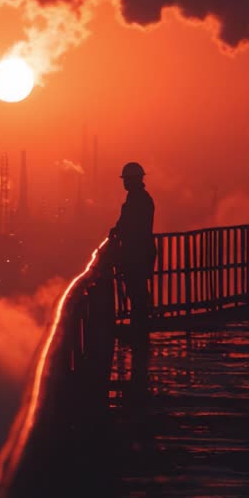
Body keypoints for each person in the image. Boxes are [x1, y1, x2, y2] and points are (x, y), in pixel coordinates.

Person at [109, 161, 155, 388]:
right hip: (139, 253)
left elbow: (132, 225)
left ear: (134, 180)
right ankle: (139, 331)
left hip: (136, 254)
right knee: (137, 294)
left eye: (127, 179)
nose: (125, 183)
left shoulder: (139, 201)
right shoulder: (139, 200)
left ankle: (139, 335)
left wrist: (119, 231)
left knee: (137, 294)